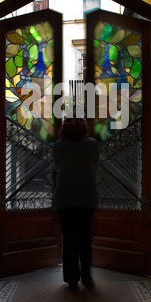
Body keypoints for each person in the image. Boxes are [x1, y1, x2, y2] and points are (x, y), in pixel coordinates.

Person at [53, 116, 99, 290]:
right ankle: (86, 276)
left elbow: (57, 167)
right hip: (86, 194)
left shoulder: (59, 145)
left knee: (69, 239)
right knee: (85, 238)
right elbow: (95, 165)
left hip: (65, 195)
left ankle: (71, 278)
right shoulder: (92, 144)